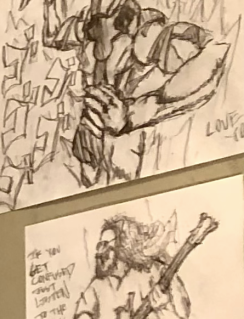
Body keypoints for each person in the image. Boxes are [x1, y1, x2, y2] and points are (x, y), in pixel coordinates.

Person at [43, 0, 229, 192]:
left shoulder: (154, 35)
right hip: (92, 149)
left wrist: (135, 113)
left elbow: (216, 52)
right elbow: (54, 36)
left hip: (132, 154)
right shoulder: (90, 25)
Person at [72, 212, 197, 319]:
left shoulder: (155, 274)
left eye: (107, 245)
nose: (100, 252)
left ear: (125, 246)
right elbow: (82, 318)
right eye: (100, 245)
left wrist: (162, 308)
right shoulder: (97, 285)